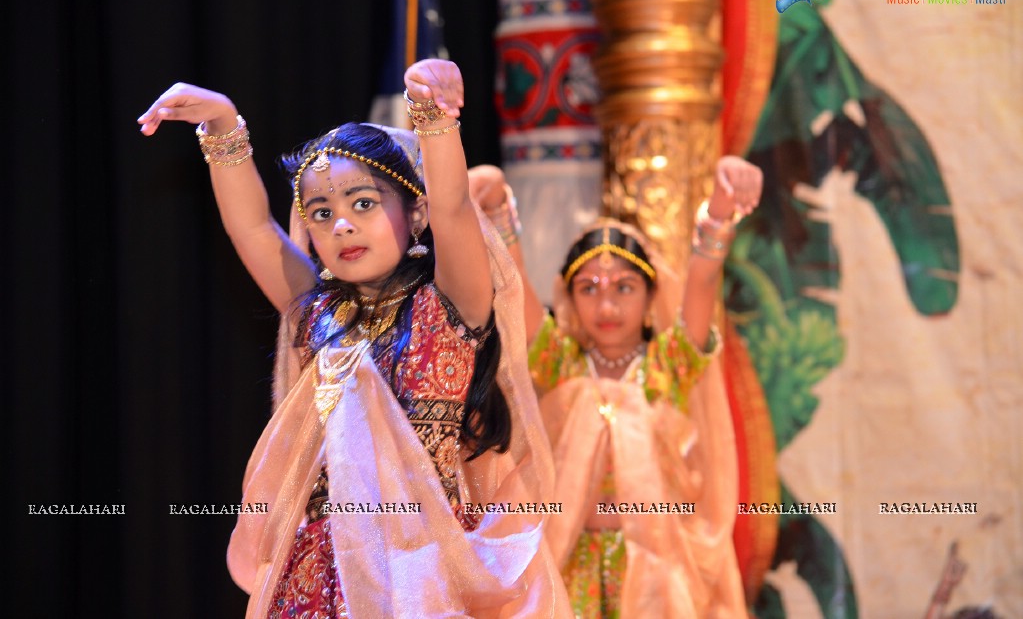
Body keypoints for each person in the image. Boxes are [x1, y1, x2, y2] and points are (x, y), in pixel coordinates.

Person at [138, 59, 567, 618]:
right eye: (321, 213)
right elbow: (251, 229)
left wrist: (432, 115)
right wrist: (223, 126)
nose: (340, 224)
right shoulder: (318, 313)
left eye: (362, 203)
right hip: (320, 569)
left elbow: (454, 205)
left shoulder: (451, 306)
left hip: (423, 570)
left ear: (415, 215)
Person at [469, 156, 762, 617]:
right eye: (589, 288)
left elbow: (704, 279)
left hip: (659, 572)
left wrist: (721, 211)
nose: (606, 304)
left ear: (650, 298)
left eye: (624, 287)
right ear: (568, 296)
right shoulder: (561, 363)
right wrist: (498, 204)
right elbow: (512, 284)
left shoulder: (669, 365)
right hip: (569, 562)